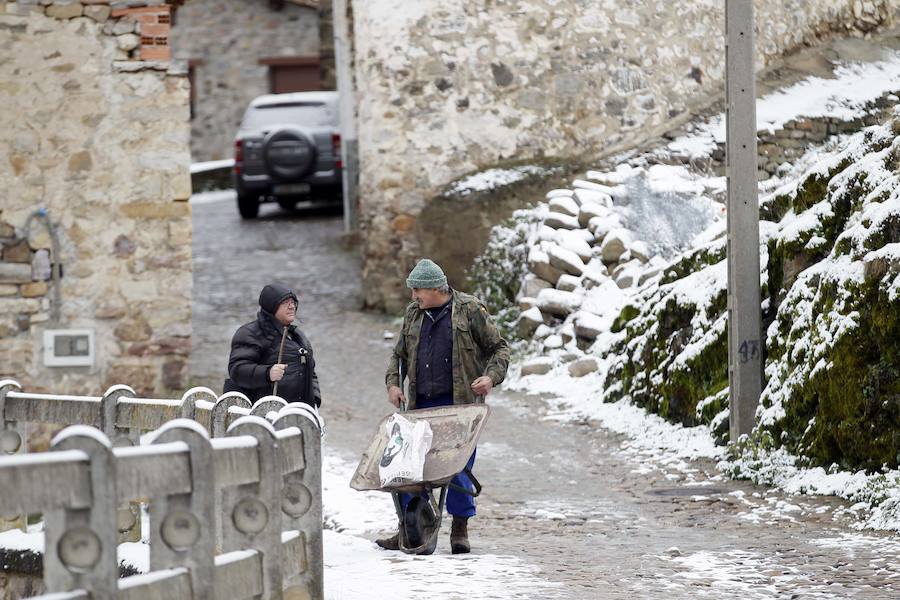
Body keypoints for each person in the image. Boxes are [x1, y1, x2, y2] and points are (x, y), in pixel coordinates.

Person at [377, 258, 509, 554]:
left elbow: (499, 348)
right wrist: (393, 384)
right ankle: (409, 528)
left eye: (418, 291)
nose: (413, 297)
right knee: (407, 468)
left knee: (457, 467)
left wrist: (490, 378)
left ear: (436, 289)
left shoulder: (469, 310)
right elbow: (397, 355)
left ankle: (459, 529)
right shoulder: (414, 314)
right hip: (421, 407)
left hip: (459, 407)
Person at [226, 283, 321, 408]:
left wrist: (314, 398)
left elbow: (310, 369)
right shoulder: (251, 333)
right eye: (285, 302)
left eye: (293, 302)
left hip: (299, 413)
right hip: (265, 414)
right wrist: (267, 373)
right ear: (272, 306)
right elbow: (237, 370)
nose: (292, 306)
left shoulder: (296, 335)